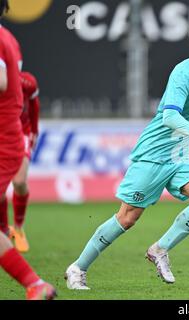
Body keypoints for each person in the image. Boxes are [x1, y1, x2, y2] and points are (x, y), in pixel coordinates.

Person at [65, 15, 189, 289]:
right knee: (128, 217)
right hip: (155, 152)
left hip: (182, 153)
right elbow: (169, 118)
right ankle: (77, 268)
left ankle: (160, 249)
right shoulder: (183, 73)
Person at [0, 0, 56, 299]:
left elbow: (1, 81)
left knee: (20, 183)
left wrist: (29, 141)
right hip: (6, 136)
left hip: (7, 138)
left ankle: (33, 281)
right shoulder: (8, 37)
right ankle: (34, 284)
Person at [0, 71, 40, 252]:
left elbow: (34, 105)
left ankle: (18, 227)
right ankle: (4, 231)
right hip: (2, 133)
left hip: (21, 133)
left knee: (19, 182)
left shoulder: (27, 81)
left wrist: (34, 131)